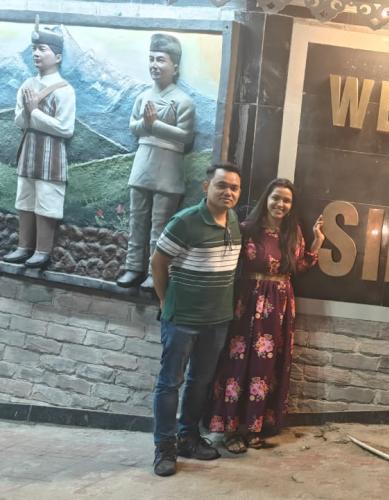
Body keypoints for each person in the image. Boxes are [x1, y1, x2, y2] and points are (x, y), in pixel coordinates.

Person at [207, 178, 325, 452]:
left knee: (265, 368)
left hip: (279, 309)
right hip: (247, 304)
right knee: (238, 363)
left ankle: (253, 427)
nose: (280, 204)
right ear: (266, 199)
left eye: (286, 200)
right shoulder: (247, 229)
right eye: (276, 198)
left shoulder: (293, 233)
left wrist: (318, 242)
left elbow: (298, 266)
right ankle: (230, 430)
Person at [150, 164, 242, 477]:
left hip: (217, 320)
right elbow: (157, 262)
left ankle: (187, 437)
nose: (228, 192)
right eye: (221, 185)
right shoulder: (185, 221)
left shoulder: (233, 220)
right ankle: (165, 447)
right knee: (169, 382)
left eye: (234, 188)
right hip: (182, 319)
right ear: (206, 187)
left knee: (200, 381)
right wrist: (165, 300)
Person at [117, 33, 195, 290]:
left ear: (175, 67)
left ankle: (155, 272)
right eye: (151, 59)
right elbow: (133, 127)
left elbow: (185, 135)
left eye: (161, 59)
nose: (154, 65)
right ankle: (133, 267)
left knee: (159, 226)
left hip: (168, 167)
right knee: (137, 220)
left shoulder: (183, 101)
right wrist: (146, 124)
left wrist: (155, 125)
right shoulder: (142, 96)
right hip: (143, 163)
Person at [3, 18, 75, 269]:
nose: (36, 53)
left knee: (47, 202)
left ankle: (42, 250)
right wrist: (28, 113)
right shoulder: (27, 85)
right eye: (35, 49)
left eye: (43, 49)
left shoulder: (64, 90)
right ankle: (24, 246)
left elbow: (65, 128)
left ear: (57, 57)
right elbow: (19, 121)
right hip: (28, 154)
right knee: (25, 200)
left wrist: (34, 112)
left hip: (51, 158)